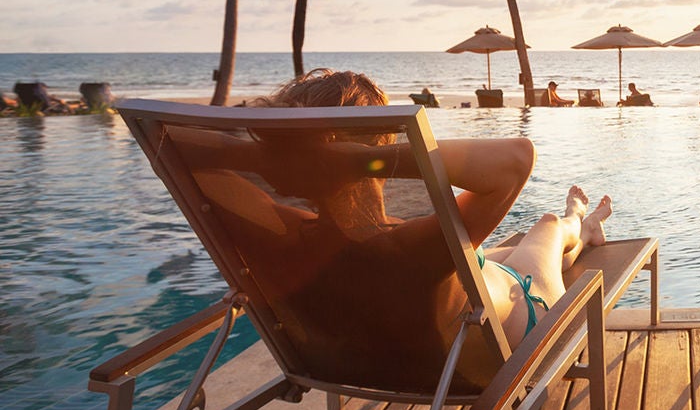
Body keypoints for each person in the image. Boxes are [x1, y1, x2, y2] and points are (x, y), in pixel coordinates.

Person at [248, 69, 611, 344]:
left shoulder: (286, 231)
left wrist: (292, 157)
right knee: (547, 226)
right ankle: (580, 217)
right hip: (526, 311)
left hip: (462, 296)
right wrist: (361, 159)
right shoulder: (413, 245)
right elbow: (518, 156)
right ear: (378, 146)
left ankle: (586, 230)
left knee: (503, 253)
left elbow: (204, 157)